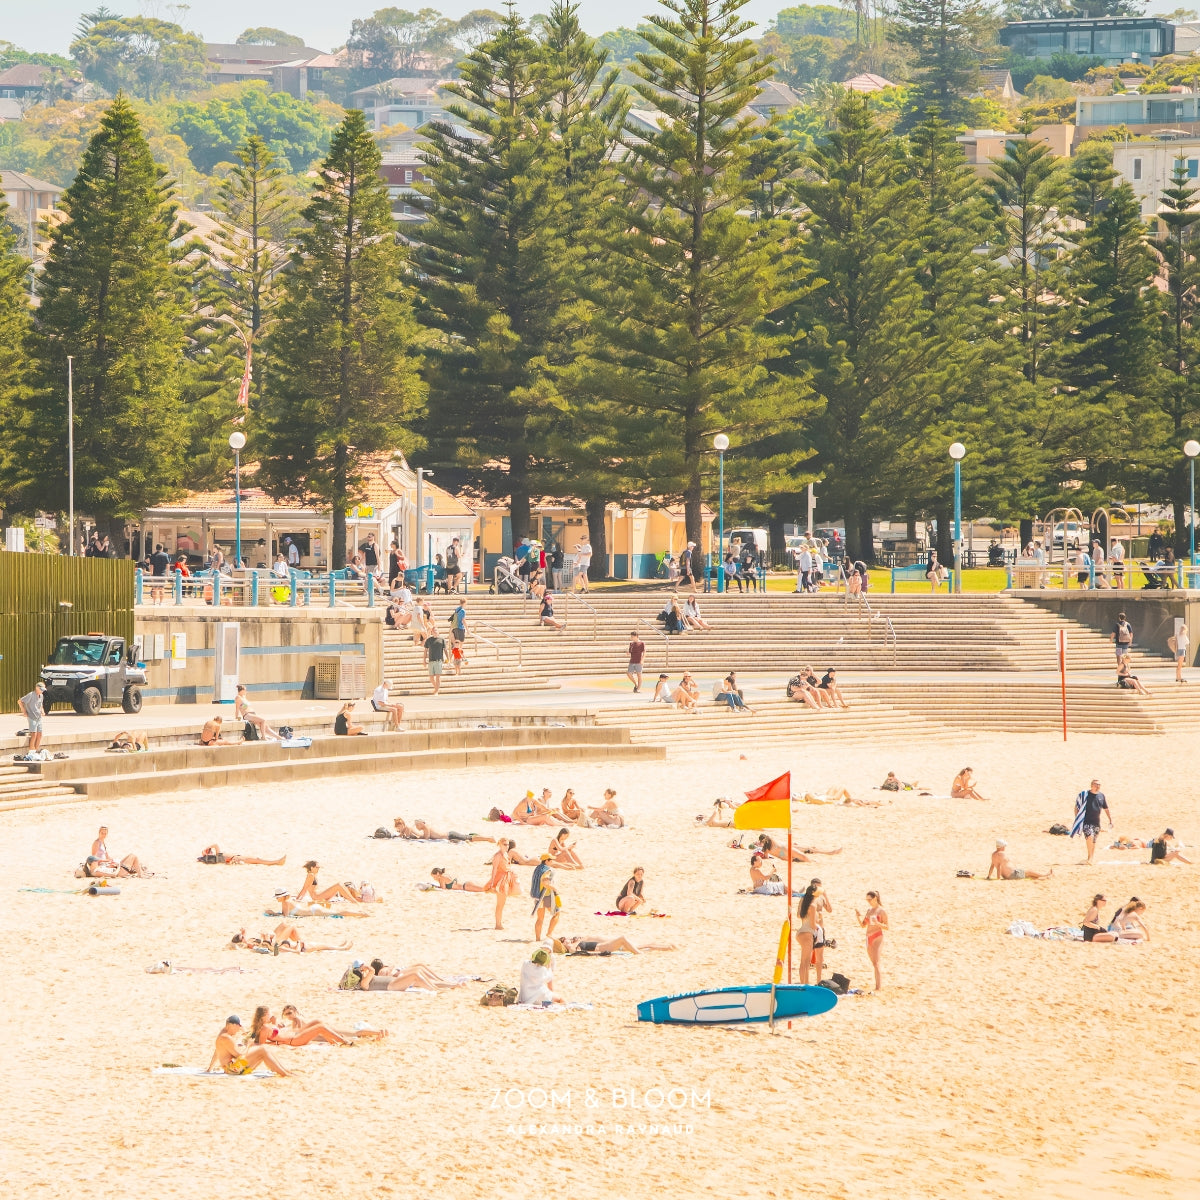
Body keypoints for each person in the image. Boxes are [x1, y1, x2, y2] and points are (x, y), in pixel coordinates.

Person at [207, 1015, 290, 1077]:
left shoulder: (222, 1034)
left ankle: (284, 1071)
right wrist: (249, 1045)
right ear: (232, 1025)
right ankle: (284, 1073)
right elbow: (240, 1055)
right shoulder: (226, 1037)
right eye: (237, 1028)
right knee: (263, 1049)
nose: (237, 1031)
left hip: (231, 1069)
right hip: (233, 1070)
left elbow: (217, 1051)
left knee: (263, 1049)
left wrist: (209, 1068)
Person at [251, 1005, 350, 1048]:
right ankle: (344, 1041)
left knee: (317, 1022)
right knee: (321, 1027)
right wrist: (277, 1043)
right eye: (269, 1014)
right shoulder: (264, 1028)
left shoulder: (266, 1025)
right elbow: (262, 1045)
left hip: (294, 1035)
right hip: (294, 1040)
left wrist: (276, 1024)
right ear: (263, 1016)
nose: (271, 1015)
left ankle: (334, 1040)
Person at [795, 880, 832, 985]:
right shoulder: (813, 905)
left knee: (804, 962)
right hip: (808, 933)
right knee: (806, 962)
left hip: (802, 931)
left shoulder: (807, 903)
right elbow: (812, 925)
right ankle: (805, 984)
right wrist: (819, 926)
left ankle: (804, 983)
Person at [1072, 779, 1114, 865]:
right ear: (1091, 785)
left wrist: (1110, 819)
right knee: (1089, 837)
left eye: (1099, 785)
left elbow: (1106, 808)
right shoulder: (1085, 795)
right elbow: (1076, 807)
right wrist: (1077, 819)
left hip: (1096, 822)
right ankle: (1090, 858)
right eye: (1096, 784)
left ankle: (1090, 858)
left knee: (1094, 841)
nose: (1098, 786)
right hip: (1086, 821)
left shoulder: (1101, 796)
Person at [354, 959, 467, 991]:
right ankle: (435, 990)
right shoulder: (364, 983)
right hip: (391, 985)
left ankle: (452, 985)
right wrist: (368, 968)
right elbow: (372, 972)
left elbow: (372, 972)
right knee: (415, 974)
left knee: (418, 979)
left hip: (393, 982)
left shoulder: (367, 978)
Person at [855, 890, 888, 990]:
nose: (868, 901)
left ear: (875, 898)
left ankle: (878, 987)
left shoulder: (881, 911)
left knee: (877, 962)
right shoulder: (869, 911)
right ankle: (877, 985)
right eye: (867, 900)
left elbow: (887, 926)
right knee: (874, 963)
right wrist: (858, 917)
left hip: (877, 936)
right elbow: (863, 925)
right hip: (868, 937)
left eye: (869, 899)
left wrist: (878, 924)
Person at [296, 861, 361, 905]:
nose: (318, 869)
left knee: (340, 886)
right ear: (312, 867)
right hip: (317, 897)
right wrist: (297, 899)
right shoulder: (311, 875)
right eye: (317, 867)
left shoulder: (313, 875)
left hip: (320, 896)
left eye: (319, 867)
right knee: (339, 885)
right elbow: (304, 888)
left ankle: (354, 900)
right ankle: (354, 901)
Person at [987, 839, 1053, 880]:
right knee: (1030, 871)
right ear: (1001, 847)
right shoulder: (1001, 854)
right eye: (1004, 846)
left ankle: (1044, 878)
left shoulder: (993, 854)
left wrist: (988, 876)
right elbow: (999, 867)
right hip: (1012, 874)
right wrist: (998, 879)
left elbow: (992, 866)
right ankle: (1045, 874)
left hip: (1008, 876)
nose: (1005, 847)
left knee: (1029, 875)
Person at [532, 857, 561, 941]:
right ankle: (549, 933)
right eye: (551, 860)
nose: (552, 861)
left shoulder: (537, 868)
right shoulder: (547, 871)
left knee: (540, 918)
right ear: (547, 861)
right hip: (546, 896)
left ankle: (537, 938)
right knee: (557, 913)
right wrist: (555, 888)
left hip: (537, 896)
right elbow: (545, 883)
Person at [18, 682, 46, 754]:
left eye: (43, 690)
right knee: (34, 734)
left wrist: (42, 711)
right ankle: (31, 750)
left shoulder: (41, 695)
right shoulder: (31, 695)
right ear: (37, 688)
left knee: (40, 734)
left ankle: (36, 750)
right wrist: (24, 711)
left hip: (38, 717)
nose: (42, 691)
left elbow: (40, 705)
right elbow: (20, 701)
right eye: (41, 689)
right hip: (31, 716)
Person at [198, 844, 285, 866]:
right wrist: (207, 847)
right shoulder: (217, 855)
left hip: (240, 858)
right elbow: (215, 844)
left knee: (258, 860)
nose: (211, 851)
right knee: (258, 860)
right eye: (210, 851)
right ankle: (277, 862)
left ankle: (277, 861)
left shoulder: (218, 857)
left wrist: (205, 852)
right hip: (240, 859)